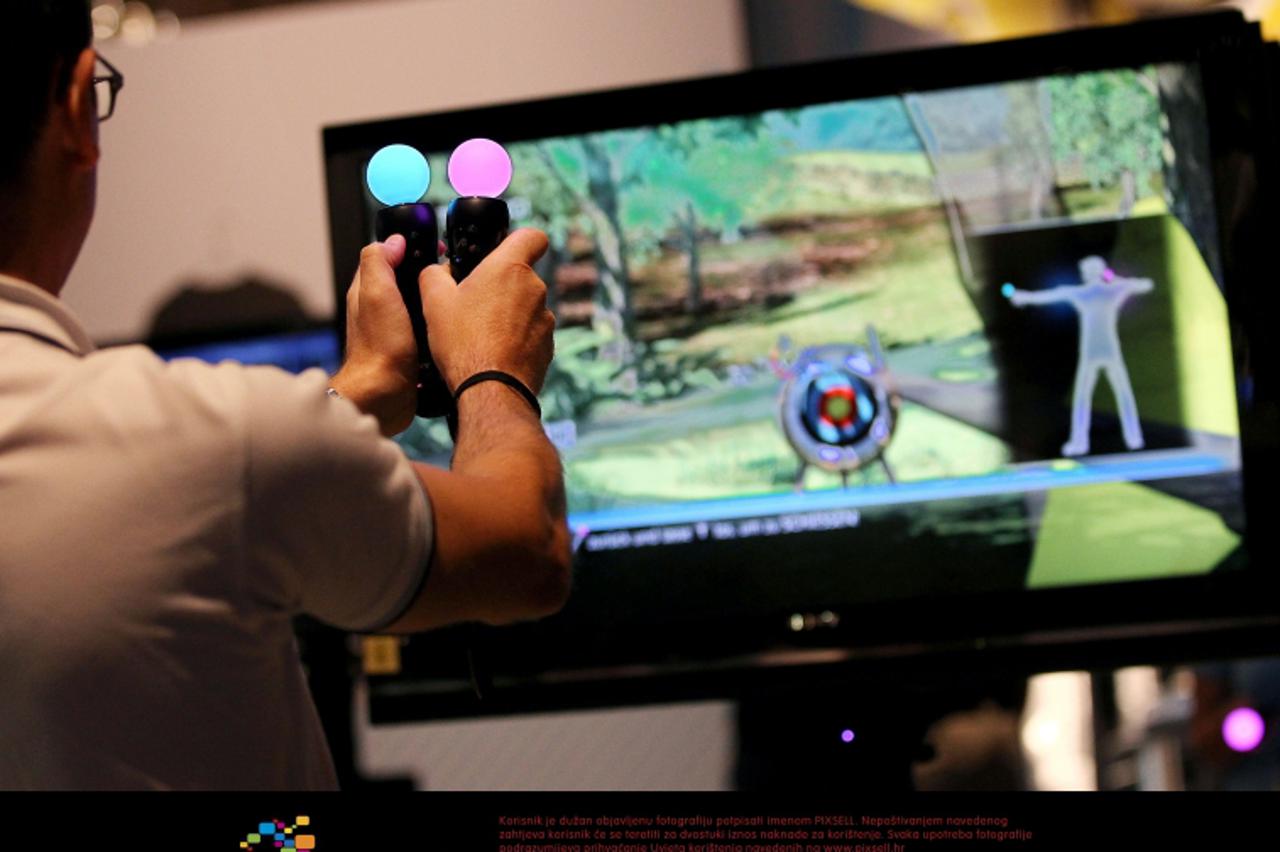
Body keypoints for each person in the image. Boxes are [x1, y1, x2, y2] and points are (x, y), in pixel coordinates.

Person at [0, 1, 570, 789]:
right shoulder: (202, 436)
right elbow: (528, 551)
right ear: (75, 109)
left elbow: (216, 489)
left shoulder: (203, 447)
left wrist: (360, 391)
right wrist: (492, 369)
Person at [1004, 255, 1152, 457]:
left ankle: (1128, 438)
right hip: (1100, 351)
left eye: (1087, 272)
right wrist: (1025, 297)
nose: (1085, 275)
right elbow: (1050, 295)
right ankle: (1123, 439)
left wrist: (1024, 297)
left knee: (1101, 395)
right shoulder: (1104, 290)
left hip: (1100, 351)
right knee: (1103, 395)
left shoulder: (1094, 291)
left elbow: (1144, 284)